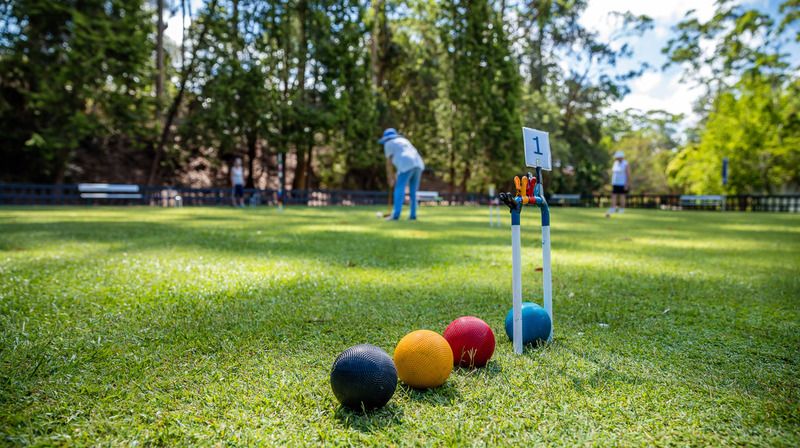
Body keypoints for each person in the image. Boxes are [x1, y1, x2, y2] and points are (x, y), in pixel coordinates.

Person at [379, 128, 425, 220]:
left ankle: (395, 215)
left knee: (399, 188)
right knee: (413, 191)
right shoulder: (404, 140)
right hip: (418, 164)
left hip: (406, 165)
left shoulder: (388, 143)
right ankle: (413, 215)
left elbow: (389, 163)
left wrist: (390, 177)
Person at [606, 150, 631, 217]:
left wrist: (627, 183)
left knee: (622, 196)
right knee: (613, 195)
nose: (616, 158)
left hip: (622, 183)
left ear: (621, 157)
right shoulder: (615, 163)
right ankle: (613, 208)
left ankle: (622, 209)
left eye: (618, 157)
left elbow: (628, 174)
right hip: (615, 183)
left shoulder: (626, 163)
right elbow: (614, 172)